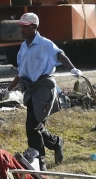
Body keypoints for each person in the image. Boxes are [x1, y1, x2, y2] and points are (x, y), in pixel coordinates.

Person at [7, 12, 79, 168]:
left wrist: (72, 69)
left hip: (44, 88)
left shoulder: (45, 44)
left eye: (25, 27)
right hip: (31, 90)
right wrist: (8, 90)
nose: (22, 30)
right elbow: (21, 73)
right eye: (21, 27)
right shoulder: (23, 47)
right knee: (36, 126)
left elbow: (60, 55)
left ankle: (40, 161)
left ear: (34, 27)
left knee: (32, 126)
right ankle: (56, 143)